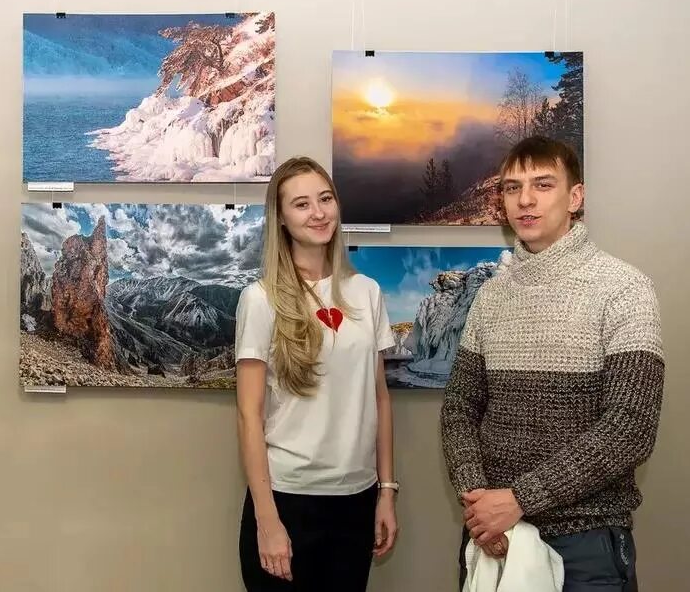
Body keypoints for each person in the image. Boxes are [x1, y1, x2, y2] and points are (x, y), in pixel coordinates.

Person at [440, 136, 665, 591]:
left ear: (575, 197)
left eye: (543, 184)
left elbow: (631, 427)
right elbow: (459, 408)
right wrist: (482, 503)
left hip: (587, 546)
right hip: (493, 538)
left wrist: (520, 500)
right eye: (511, 187)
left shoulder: (624, 288)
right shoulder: (490, 297)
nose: (525, 200)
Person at [234, 156, 399, 591]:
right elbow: (249, 415)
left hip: (356, 501)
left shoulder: (368, 293)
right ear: (282, 219)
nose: (319, 213)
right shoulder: (260, 299)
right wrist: (267, 522)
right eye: (302, 204)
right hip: (288, 500)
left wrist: (387, 491)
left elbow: (379, 397)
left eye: (325, 199)